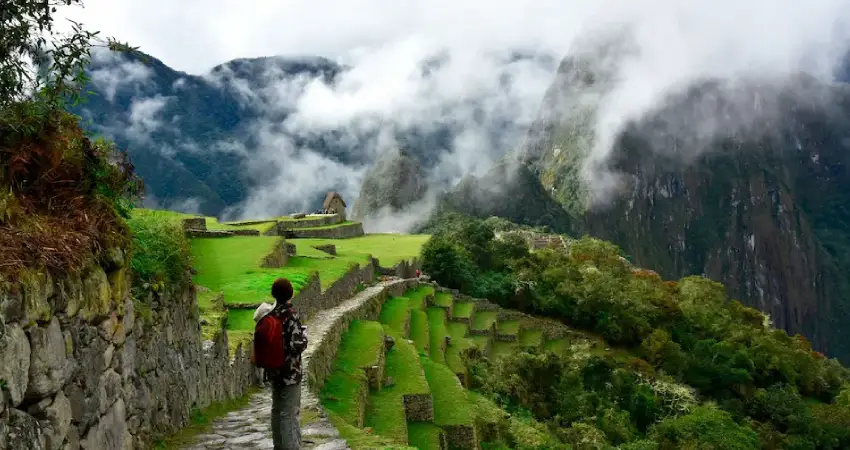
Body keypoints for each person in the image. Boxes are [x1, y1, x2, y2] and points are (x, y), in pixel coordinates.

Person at [252, 278, 308, 450]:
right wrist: (304, 338)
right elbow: (296, 344)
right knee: (290, 414)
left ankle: (279, 446)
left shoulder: (270, 313)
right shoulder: (290, 315)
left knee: (277, 411)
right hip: (290, 373)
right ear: (290, 294)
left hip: (274, 370)